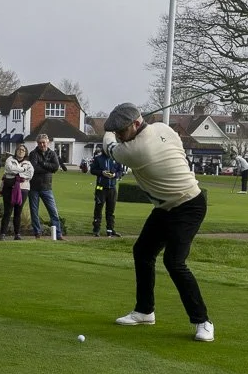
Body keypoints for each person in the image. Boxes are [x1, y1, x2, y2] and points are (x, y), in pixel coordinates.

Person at [103, 104, 213, 342]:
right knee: (142, 251)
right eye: (117, 132)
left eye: (122, 131)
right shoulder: (163, 127)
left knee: (174, 262)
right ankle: (144, 311)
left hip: (188, 205)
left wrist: (109, 134)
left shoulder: (136, 151)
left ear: (135, 124)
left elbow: (109, 147)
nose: (120, 135)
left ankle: (203, 321)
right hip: (166, 207)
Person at [26, 133, 64, 240]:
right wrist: (48, 168)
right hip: (34, 187)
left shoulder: (52, 154)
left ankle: (58, 234)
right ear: (37, 143)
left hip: (47, 187)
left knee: (53, 212)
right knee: (34, 212)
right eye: (40, 143)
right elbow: (34, 168)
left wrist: (42, 163)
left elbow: (55, 167)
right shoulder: (33, 154)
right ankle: (37, 233)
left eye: (44, 142)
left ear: (48, 142)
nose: (42, 145)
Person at [0, 146, 32, 241]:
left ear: (25, 152)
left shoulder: (28, 163)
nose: (21, 151)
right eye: (19, 149)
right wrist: (22, 170)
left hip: (23, 189)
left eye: (23, 150)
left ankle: (17, 234)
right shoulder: (10, 159)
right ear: (16, 151)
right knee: (7, 211)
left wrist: (16, 173)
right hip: (9, 188)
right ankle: (3, 234)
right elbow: (9, 169)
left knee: (18, 212)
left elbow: (30, 174)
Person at [91, 146, 125, 237]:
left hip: (112, 188)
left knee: (111, 210)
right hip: (101, 188)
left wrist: (115, 175)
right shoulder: (98, 158)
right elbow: (92, 170)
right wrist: (102, 173)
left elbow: (120, 171)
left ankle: (110, 230)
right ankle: (96, 230)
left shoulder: (116, 159)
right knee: (98, 209)